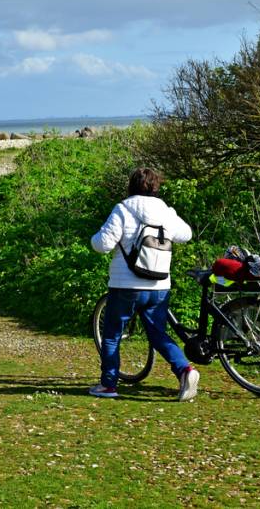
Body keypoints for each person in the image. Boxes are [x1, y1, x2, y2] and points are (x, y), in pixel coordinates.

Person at [89, 167, 199, 401]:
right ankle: (185, 370)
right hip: (159, 285)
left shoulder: (123, 209)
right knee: (158, 334)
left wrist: (94, 238)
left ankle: (108, 384)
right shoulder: (166, 211)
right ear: (156, 186)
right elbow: (186, 234)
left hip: (125, 284)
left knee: (112, 335)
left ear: (131, 185)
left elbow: (103, 245)